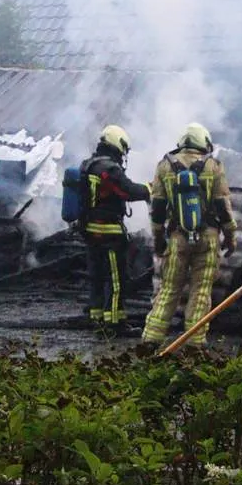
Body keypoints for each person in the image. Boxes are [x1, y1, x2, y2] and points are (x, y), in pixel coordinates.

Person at [141, 123, 237, 347]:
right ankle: (195, 342)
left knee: (169, 287)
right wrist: (230, 236)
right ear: (204, 143)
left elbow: (157, 208)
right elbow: (223, 205)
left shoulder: (164, 167)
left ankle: (151, 338)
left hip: (177, 238)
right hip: (209, 238)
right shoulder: (213, 166)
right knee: (201, 289)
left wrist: (157, 240)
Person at [77, 125, 152, 331]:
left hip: (89, 231)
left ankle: (97, 317)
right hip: (109, 233)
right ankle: (115, 322)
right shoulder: (110, 169)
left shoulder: (87, 165)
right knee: (116, 278)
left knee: (96, 277)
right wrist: (150, 188)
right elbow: (128, 191)